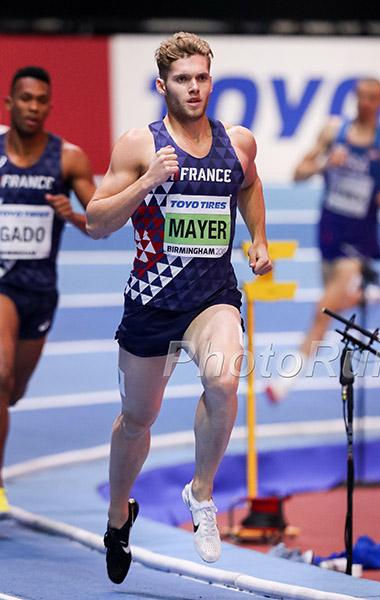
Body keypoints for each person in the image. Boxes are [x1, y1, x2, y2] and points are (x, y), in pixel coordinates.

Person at [86, 31, 272, 583]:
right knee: (137, 420)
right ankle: (118, 515)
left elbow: (249, 185)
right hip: (152, 302)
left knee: (224, 380)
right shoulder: (139, 145)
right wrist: (148, 180)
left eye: (202, 77)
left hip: (212, 296)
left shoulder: (237, 142)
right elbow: (95, 221)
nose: (194, 87)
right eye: (183, 79)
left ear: (211, 80)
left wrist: (259, 238)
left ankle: (202, 492)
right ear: (161, 85)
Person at [266, 78, 380, 402]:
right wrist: (324, 163)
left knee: (323, 308)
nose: (365, 102)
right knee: (334, 304)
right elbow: (298, 172)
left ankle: (286, 381)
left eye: (372, 97)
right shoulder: (334, 132)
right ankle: (379, 294)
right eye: (361, 96)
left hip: (359, 239)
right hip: (329, 232)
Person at [0, 66, 96, 514]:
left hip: (39, 290)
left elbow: (101, 221)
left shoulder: (67, 159)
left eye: (41, 100)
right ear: (9, 103)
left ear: (50, 106)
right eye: (25, 99)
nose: (33, 107)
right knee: (0, 377)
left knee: (13, 391)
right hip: (2, 284)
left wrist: (71, 215)